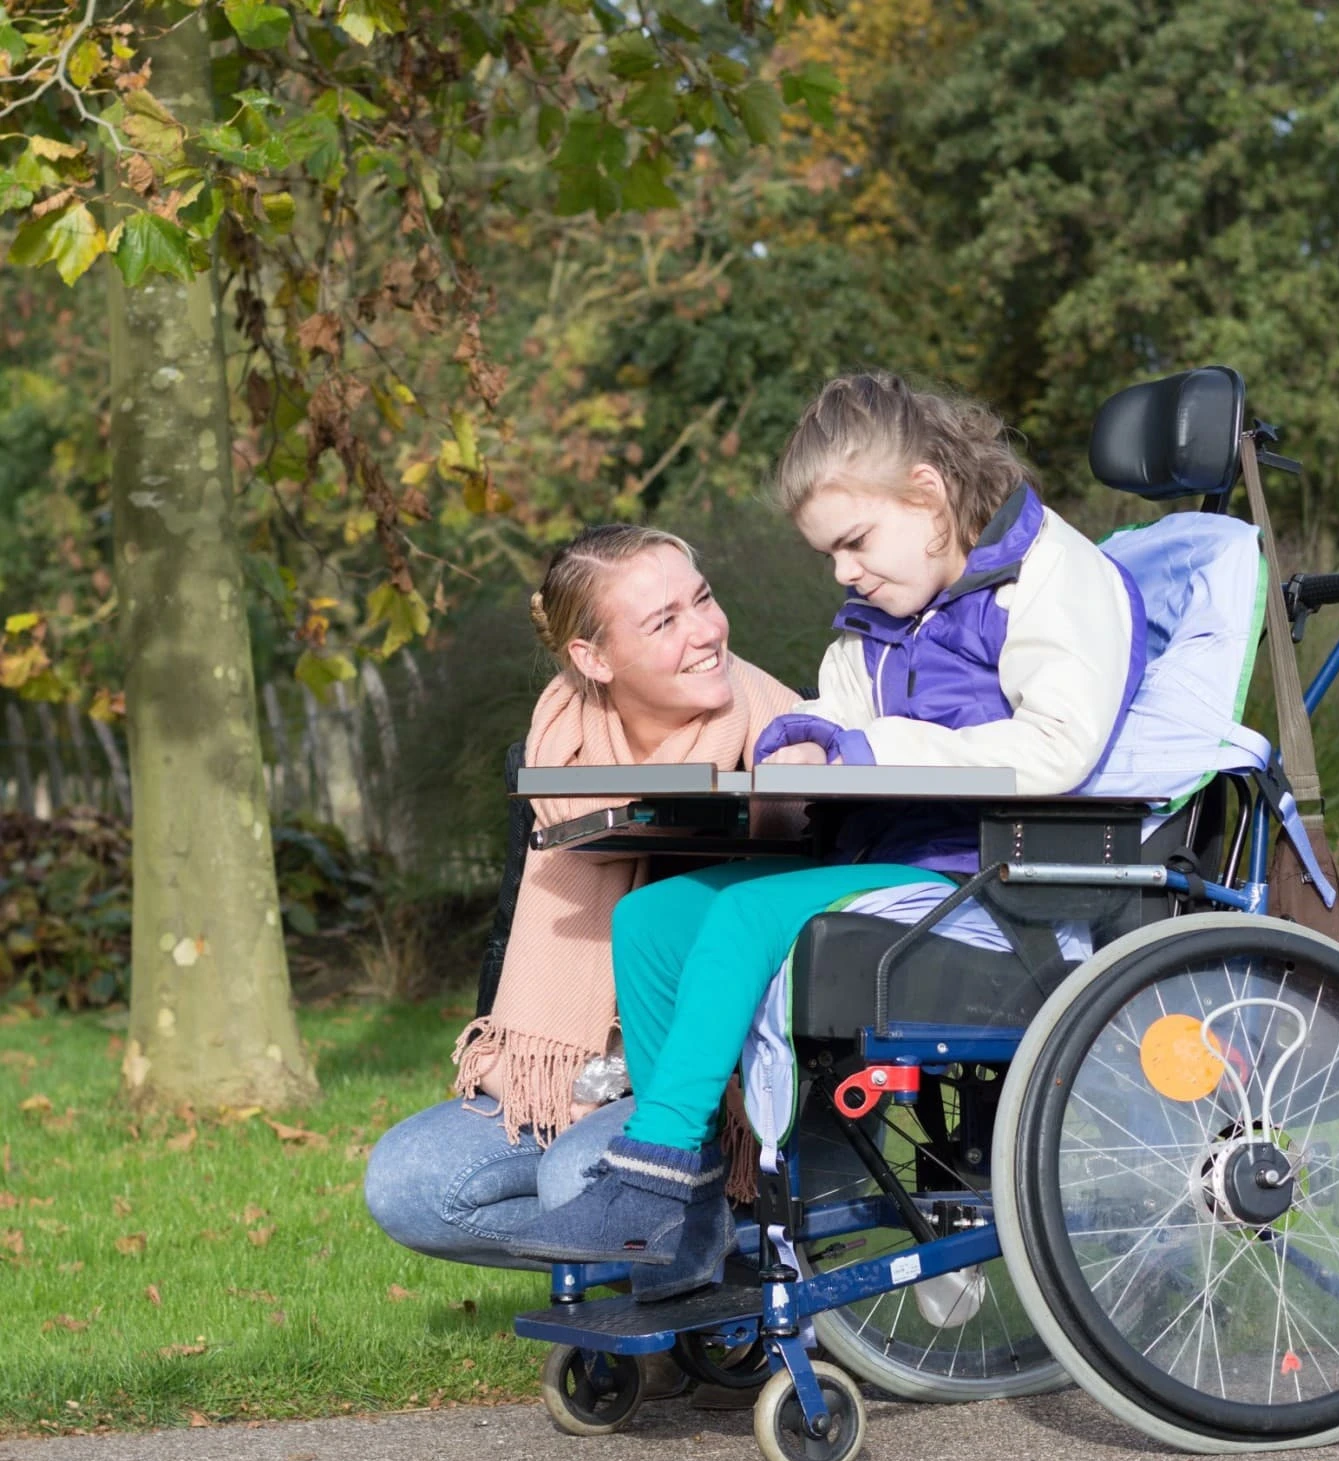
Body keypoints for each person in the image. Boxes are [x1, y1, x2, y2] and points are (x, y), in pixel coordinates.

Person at [499, 371, 1147, 1298]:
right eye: (829, 554)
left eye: (853, 542)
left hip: (1000, 885)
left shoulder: (1053, 579)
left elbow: (1058, 750)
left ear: (926, 493)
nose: (843, 572)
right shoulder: (884, 615)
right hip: (888, 868)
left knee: (743, 921)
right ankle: (684, 1196)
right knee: (653, 921)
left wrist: (864, 744)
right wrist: (796, 749)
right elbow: (834, 719)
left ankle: (647, 1184)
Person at [362, 523, 801, 1268]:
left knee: (576, 1177)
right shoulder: (555, 750)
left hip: (720, 1089)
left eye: (702, 599)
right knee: (407, 1183)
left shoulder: (785, 742)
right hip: (577, 1070)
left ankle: (721, 1278)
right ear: (592, 659)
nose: (705, 632)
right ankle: (683, 1257)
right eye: (664, 621)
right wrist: (577, 1087)